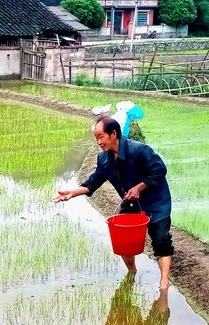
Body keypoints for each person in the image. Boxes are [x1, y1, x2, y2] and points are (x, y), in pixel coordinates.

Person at [55, 116, 174, 289]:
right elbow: (93, 182)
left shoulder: (139, 150)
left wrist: (139, 187)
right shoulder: (104, 159)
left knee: (161, 239)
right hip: (131, 202)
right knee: (123, 239)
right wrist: (72, 193)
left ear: (113, 134)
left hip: (156, 201)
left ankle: (164, 281)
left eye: (101, 136)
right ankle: (132, 271)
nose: (98, 142)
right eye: (96, 138)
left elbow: (159, 170)